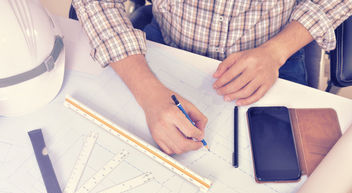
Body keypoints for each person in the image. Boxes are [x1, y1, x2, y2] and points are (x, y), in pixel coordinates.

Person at [71, 0, 352, 155]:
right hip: (166, 45)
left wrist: (277, 51)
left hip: (275, 52)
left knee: (293, 166)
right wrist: (147, 92)